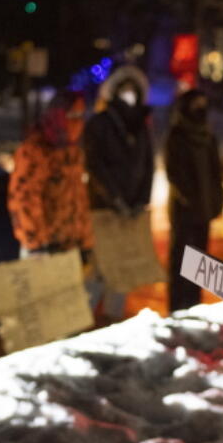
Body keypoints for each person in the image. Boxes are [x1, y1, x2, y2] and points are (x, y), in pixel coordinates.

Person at [83, 67, 155, 321]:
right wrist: (115, 199)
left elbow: (148, 165)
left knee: (122, 269)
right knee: (100, 268)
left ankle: (112, 321)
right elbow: (95, 166)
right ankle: (82, 320)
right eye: (124, 89)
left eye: (134, 90)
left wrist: (141, 201)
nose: (129, 95)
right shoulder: (99, 123)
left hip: (131, 209)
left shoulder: (141, 127)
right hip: (104, 207)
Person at [8, 91, 93, 258]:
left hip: (70, 245)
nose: (76, 121)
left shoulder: (73, 151)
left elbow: (78, 198)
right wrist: (36, 242)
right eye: (71, 115)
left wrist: (85, 240)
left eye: (79, 115)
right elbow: (24, 197)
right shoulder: (35, 150)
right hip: (43, 248)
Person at [165, 88, 223, 312]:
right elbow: (175, 173)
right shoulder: (178, 135)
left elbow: (216, 173)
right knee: (180, 258)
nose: (200, 110)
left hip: (204, 210)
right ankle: (177, 307)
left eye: (203, 104)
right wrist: (189, 198)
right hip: (184, 211)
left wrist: (216, 201)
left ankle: (193, 304)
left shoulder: (208, 137)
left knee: (200, 261)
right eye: (196, 105)